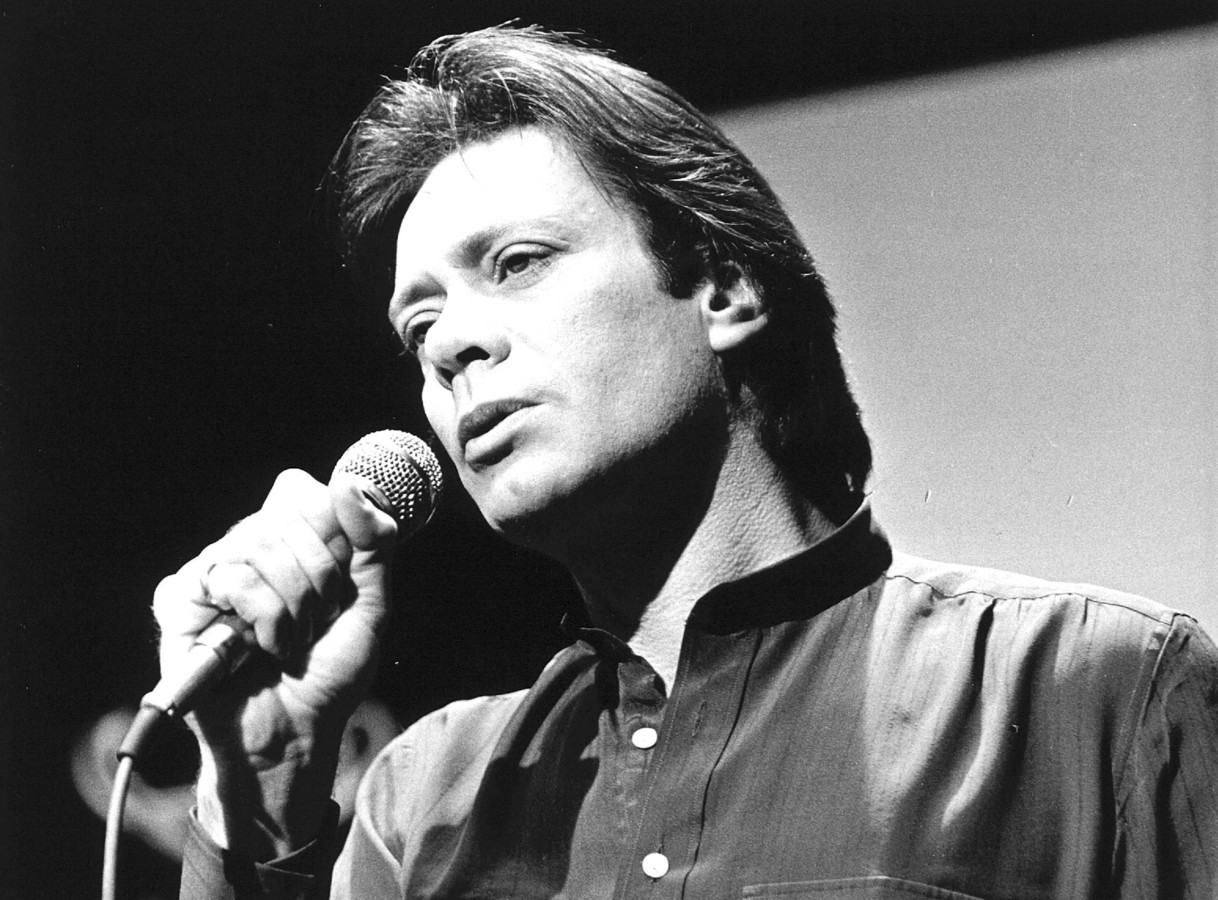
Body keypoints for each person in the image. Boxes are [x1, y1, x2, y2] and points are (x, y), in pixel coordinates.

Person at [154, 24, 1218, 900]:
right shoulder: (418, 802)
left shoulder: (1098, 692)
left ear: (724, 290)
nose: (452, 345)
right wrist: (262, 790)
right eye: (419, 325)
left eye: (516, 264)